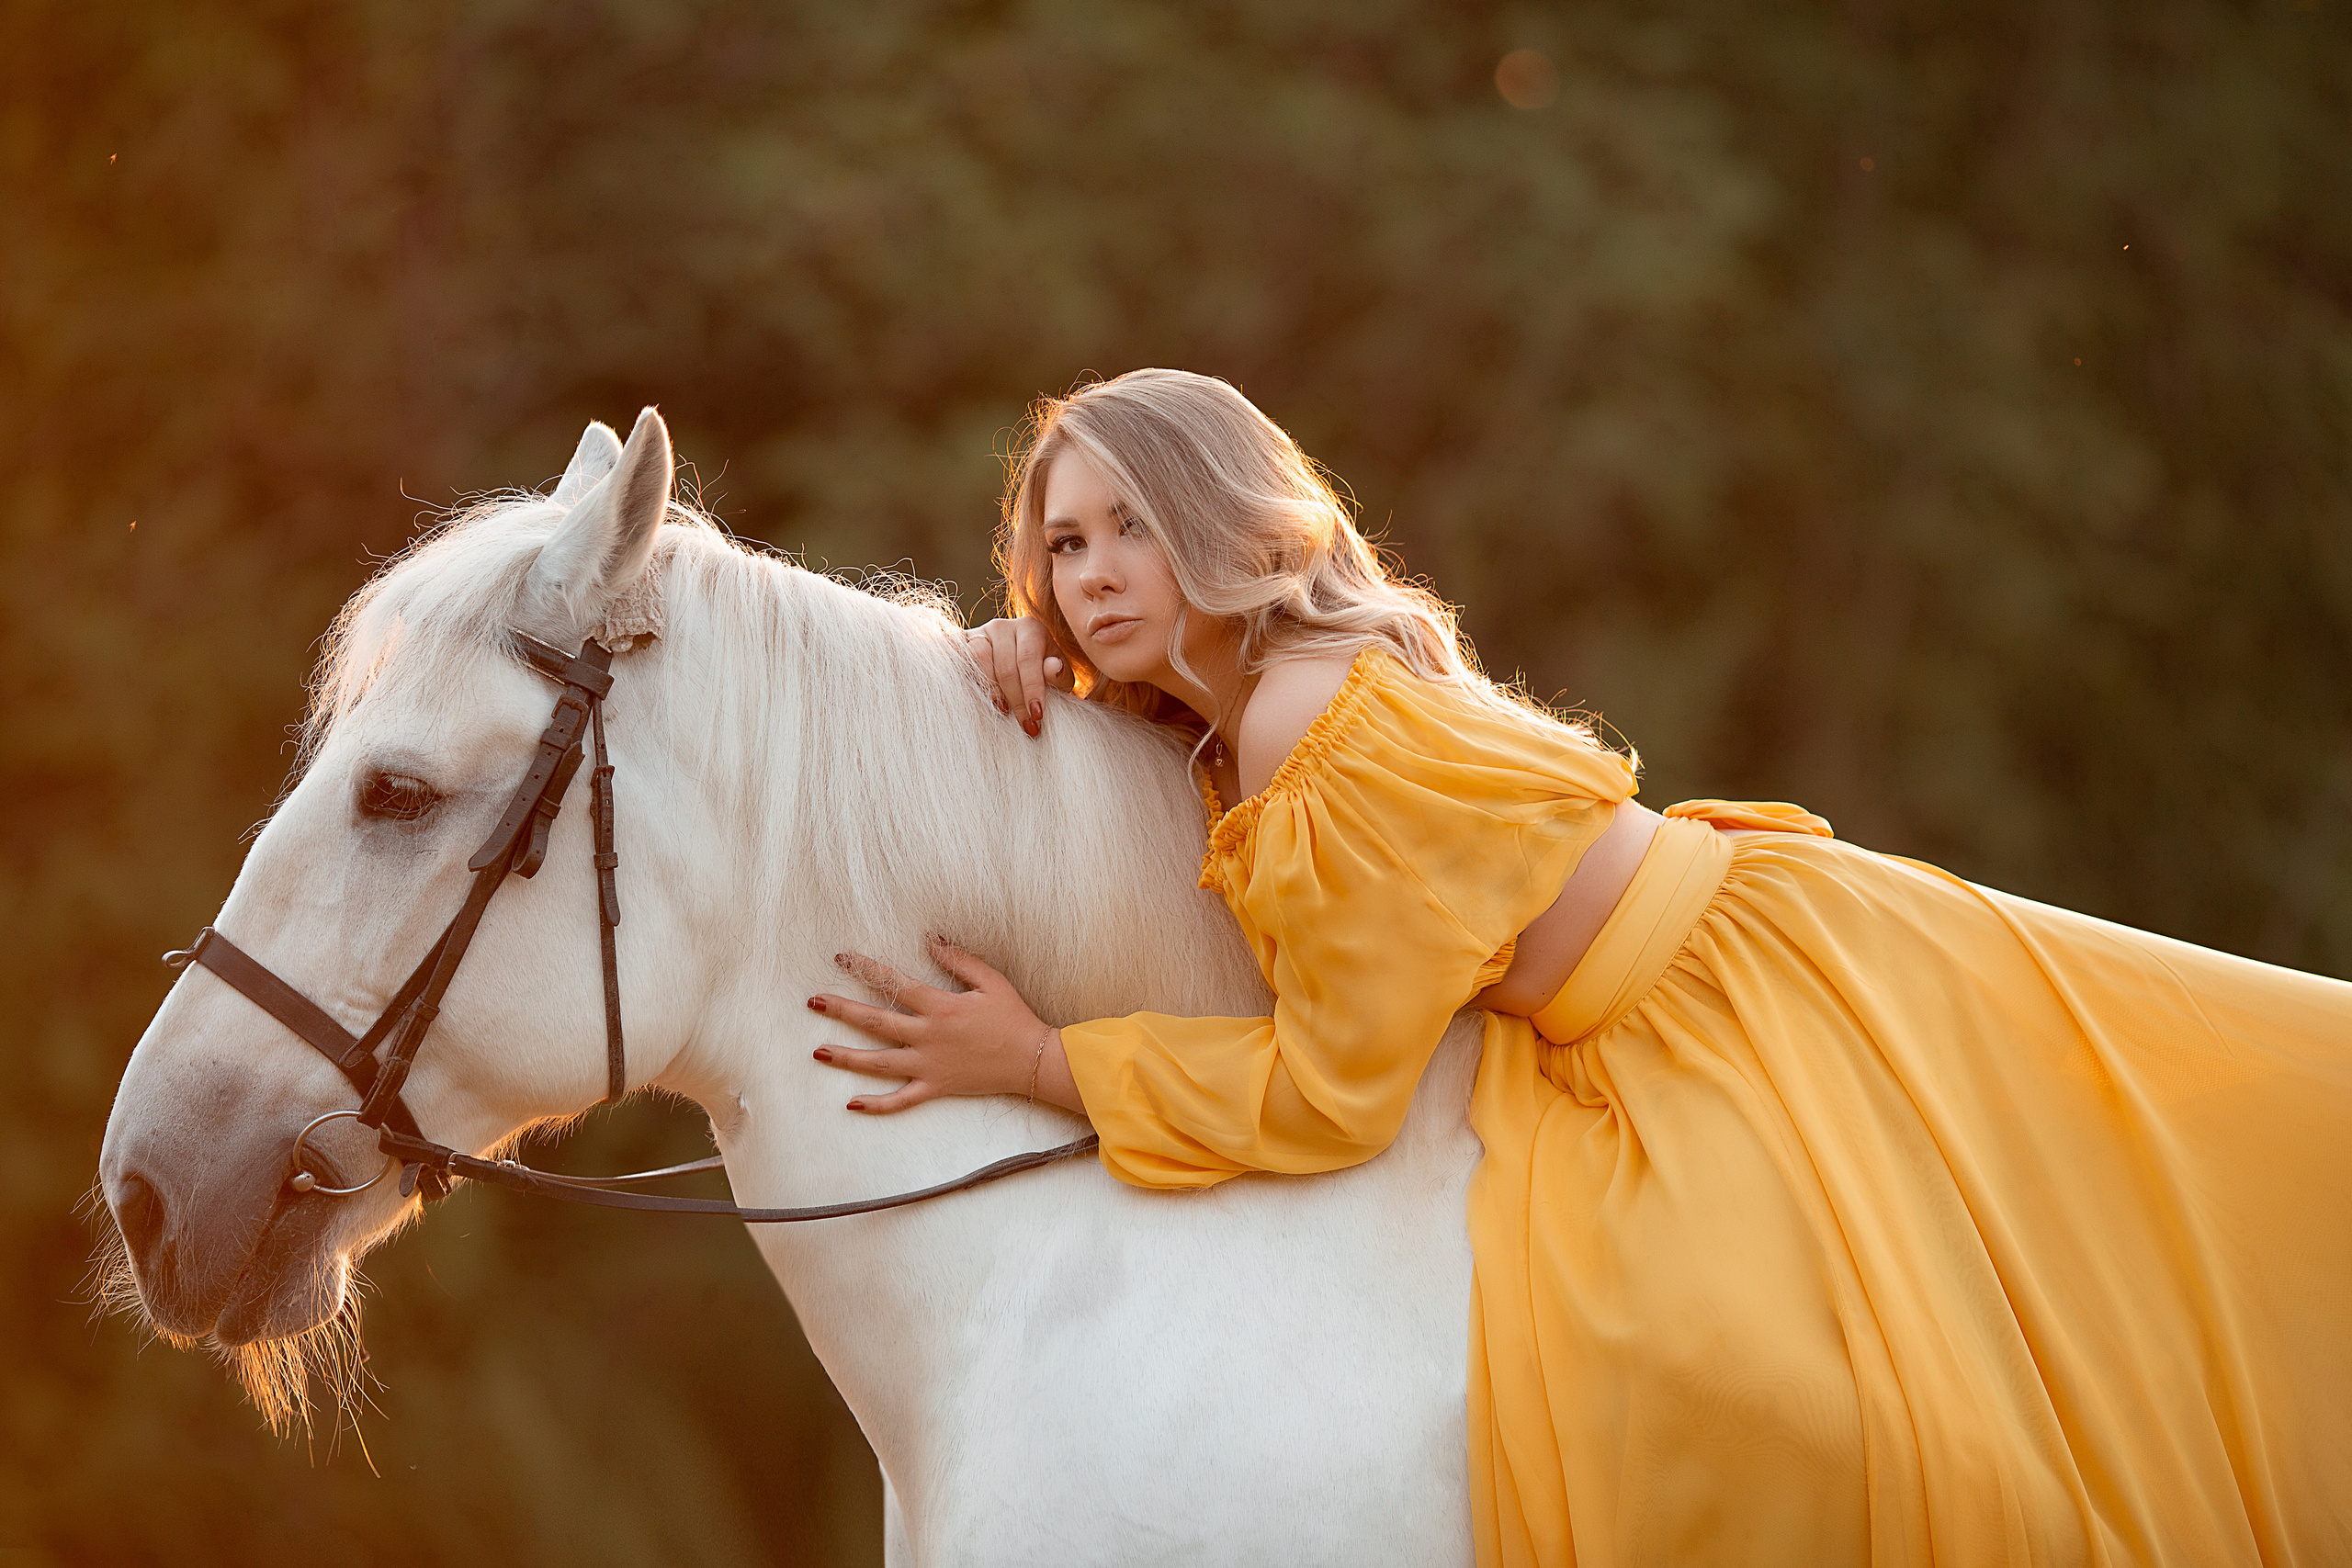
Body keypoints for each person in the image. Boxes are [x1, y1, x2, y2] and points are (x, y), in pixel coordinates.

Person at [804, 368, 2352, 1566]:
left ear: (1226, 518)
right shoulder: (1233, 701)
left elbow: (1332, 1097)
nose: (1093, 571)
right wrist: (1014, 657)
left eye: (1135, 524)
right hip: (1719, 950)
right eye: (1063, 543)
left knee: (1885, 1357)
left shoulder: (1296, 719)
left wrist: (1030, 1062)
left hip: (1717, 1011)